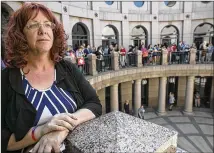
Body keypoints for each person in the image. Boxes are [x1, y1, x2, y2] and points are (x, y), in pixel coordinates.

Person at [2, 3, 102, 153]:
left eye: (48, 25)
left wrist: (60, 130)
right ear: (20, 35)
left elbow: (94, 104)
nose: (43, 31)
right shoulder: (5, 79)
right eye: (33, 25)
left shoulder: (67, 68)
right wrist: (41, 131)